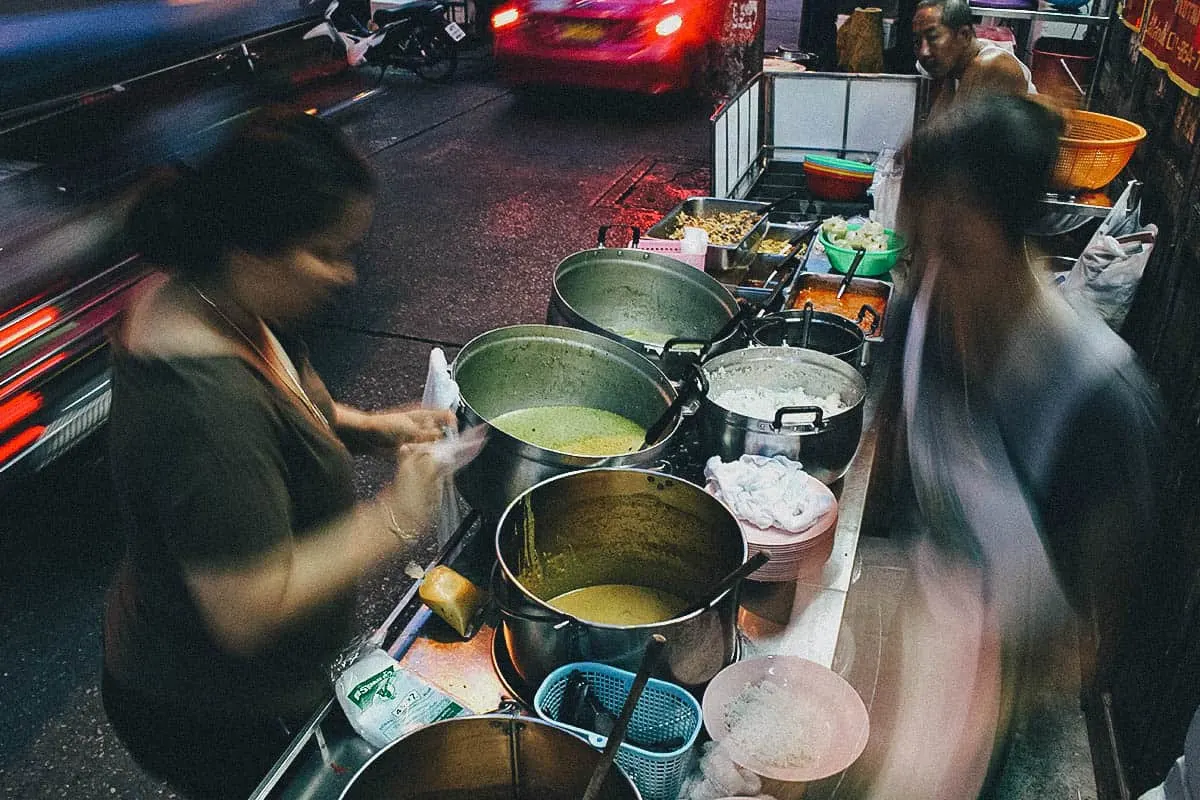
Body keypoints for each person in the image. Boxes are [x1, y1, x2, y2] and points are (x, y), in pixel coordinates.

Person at [101, 106, 481, 799]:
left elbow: (282, 393)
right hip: (214, 709)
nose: (346, 276)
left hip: (243, 679)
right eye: (328, 252)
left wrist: (366, 425)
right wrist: (398, 513)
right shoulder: (203, 411)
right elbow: (248, 609)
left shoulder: (210, 293)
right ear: (251, 247)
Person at [855, 95, 1163, 798]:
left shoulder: (1101, 406)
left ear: (1022, 234)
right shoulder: (917, 310)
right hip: (901, 645)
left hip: (1002, 718)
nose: (935, 275)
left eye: (958, 251)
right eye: (919, 248)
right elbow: (888, 460)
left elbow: (1087, 643)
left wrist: (956, 710)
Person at [911, 0, 1037, 115]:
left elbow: (954, 135)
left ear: (964, 35)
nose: (924, 52)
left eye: (933, 37)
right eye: (917, 41)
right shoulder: (951, 65)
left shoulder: (993, 65)